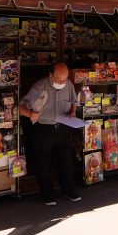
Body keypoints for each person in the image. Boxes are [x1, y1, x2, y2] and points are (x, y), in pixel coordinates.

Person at [19, 62, 81, 206]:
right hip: (43, 129)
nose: (62, 83)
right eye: (58, 80)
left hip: (64, 128)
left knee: (65, 161)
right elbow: (21, 106)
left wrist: (72, 112)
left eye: (64, 80)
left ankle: (68, 190)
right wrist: (30, 114)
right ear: (50, 75)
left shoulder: (69, 85)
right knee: (42, 163)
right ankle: (48, 195)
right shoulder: (39, 86)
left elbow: (74, 101)